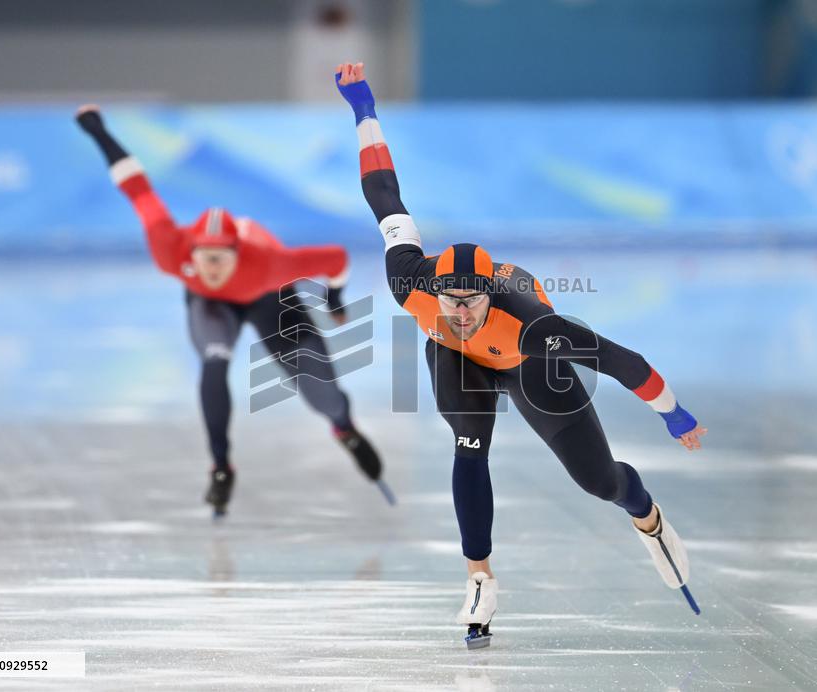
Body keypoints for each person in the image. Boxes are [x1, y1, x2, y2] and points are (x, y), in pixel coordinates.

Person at [335, 62, 706, 648]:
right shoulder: (409, 278)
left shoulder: (535, 326)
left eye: (470, 301)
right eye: (450, 299)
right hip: (459, 364)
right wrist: (364, 111)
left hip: (530, 369)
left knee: (599, 481)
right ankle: (480, 579)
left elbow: (618, 359)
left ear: (489, 293)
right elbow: (383, 193)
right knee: (469, 444)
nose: (459, 310)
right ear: (434, 287)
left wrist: (673, 411)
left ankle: (647, 516)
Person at [75, 104, 394, 517]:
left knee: (324, 396)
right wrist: (99, 131)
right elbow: (135, 185)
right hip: (212, 307)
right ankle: (221, 466)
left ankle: (344, 427)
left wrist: (334, 301)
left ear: (236, 253)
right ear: (190, 251)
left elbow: (335, 259)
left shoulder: (271, 263)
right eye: (204, 260)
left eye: (220, 261)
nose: (212, 269)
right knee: (214, 359)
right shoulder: (169, 247)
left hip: (268, 297)